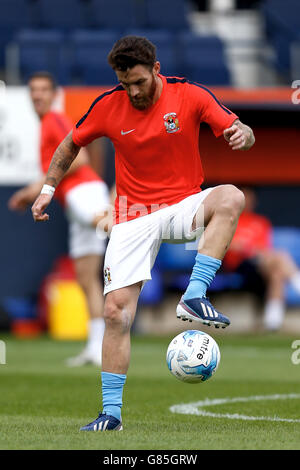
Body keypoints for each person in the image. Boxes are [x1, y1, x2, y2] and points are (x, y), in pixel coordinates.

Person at [30, 36, 255, 431]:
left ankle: (194, 295)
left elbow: (240, 129)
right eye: (124, 83)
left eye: (138, 81)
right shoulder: (107, 105)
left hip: (182, 205)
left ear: (155, 69)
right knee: (115, 313)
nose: (132, 91)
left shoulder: (190, 95)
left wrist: (243, 134)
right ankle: (111, 415)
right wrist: (48, 190)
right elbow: (70, 144)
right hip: (132, 216)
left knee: (231, 197)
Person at [8, 71, 110, 367]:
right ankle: (95, 347)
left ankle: (136, 226)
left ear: (54, 94)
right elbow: (53, 172)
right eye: (33, 90)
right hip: (73, 199)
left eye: (43, 90)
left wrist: (31, 190)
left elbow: (79, 158)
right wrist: (30, 192)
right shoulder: (45, 125)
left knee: (104, 225)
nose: (37, 95)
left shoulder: (55, 120)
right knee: (85, 278)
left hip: (84, 191)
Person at [223, 187, 300, 331]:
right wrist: (245, 248)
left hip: (260, 264)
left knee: (277, 274)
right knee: (280, 258)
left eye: (249, 198)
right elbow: (227, 246)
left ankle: (272, 323)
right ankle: (297, 281)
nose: (246, 203)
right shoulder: (228, 221)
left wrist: (251, 250)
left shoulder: (261, 222)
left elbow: (264, 249)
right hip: (239, 266)